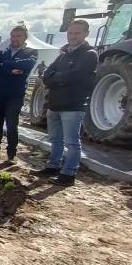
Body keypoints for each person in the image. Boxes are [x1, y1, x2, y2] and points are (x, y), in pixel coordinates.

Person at [35, 20, 98, 186]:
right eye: (70, 33)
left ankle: (68, 173)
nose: (72, 36)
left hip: (73, 105)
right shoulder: (63, 55)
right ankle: (53, 166)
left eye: (77, 33)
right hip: (55, 104)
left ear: (86, 34)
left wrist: (55, 79)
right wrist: (56, 79)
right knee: (55, 139)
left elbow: (76, 76)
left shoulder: (89, 54)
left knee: (72, 142)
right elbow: (47, 74)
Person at [0, 26, 38, 163]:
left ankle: (11, 154)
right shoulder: (3, 52)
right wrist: (10, 70)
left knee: (11, 125)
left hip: (15, 95)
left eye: (18, 36)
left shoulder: (31, 52)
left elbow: (27, 65)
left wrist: (3, 64)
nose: (15, 39)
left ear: (25, 38)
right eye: (13, 36)